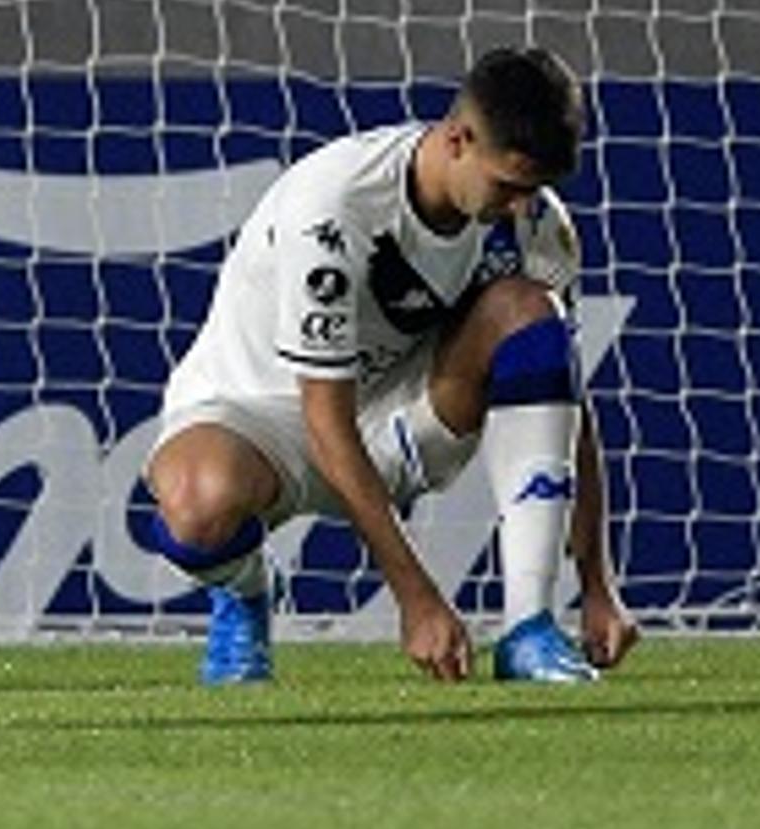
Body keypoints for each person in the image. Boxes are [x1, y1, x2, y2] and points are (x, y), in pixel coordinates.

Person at [140, 46, 635, 689]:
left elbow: (564, 397)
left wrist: (598, 583)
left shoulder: (536, 225)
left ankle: (530, 629)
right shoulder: (335, 207)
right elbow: (325, 419)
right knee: (194, 505)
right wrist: (416, 596)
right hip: (260, 418)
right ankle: (246, 590)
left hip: (402, 414)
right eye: (509, 185)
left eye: (534, 189)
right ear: (457, 139)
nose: (520, 206)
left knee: (527, 309)